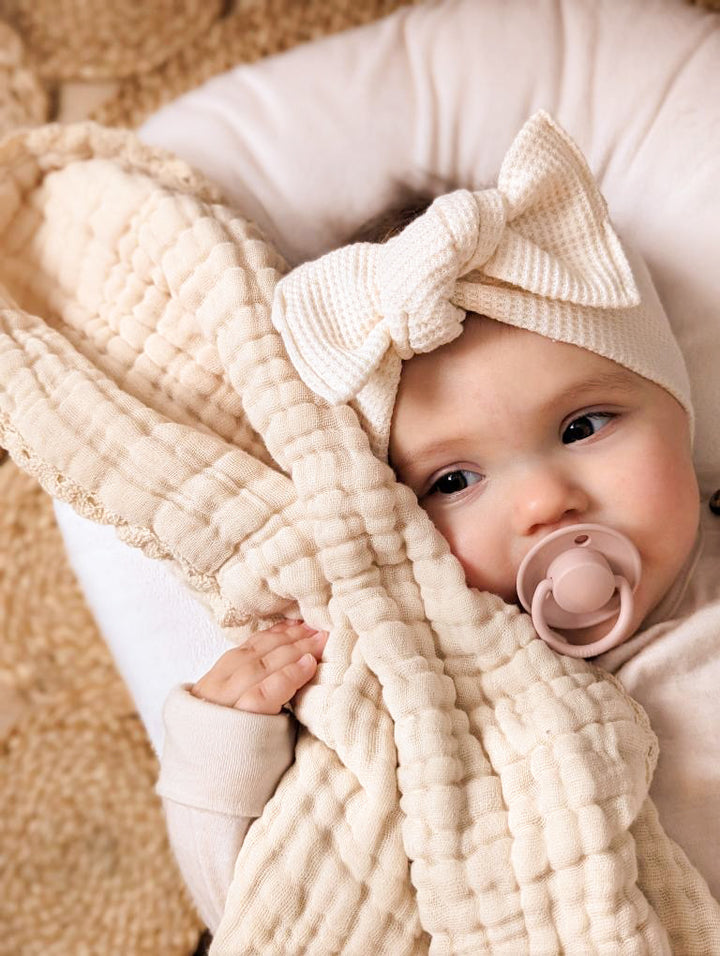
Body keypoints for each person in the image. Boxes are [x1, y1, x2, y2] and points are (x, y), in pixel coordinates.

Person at [156, 113, 719, 934]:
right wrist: (220, 758)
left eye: (584, 427)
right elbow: (281, 917)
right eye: (452, 481)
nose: (542, 505)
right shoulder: (401, 685)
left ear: (682, 413)